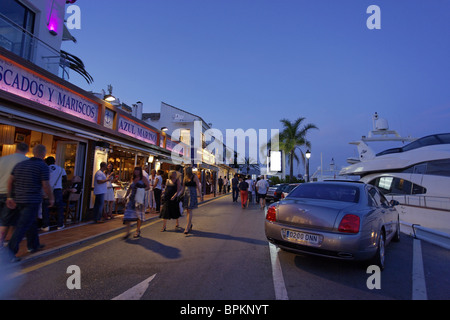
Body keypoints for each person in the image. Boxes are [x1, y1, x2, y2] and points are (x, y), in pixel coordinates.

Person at [6, 144, 54, 260]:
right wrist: (51, 197)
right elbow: (46, 185)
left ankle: (33, 245)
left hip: (18, 199)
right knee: (22, 225)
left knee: (31, 222)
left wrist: (9, 197)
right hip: (31, 200)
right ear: (43, 154)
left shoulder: (20, 164)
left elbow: (10, 181)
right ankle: (9, 254)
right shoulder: (42, 166)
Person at [0, 143, 29, 248]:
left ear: (15, 148)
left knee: (3, 221)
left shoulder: (2, 159)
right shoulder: (26, 161)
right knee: (9, 222)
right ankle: (6, 247)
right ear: (27, 150)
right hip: (12, 194)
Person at [123, 167, 150, 239]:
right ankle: (128, 232)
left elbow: (148, 187)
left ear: (140, 171)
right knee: (128, 215)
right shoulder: (133, 178)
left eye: (137, 171)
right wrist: (125, 196)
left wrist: (142, 188)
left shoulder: (143, 178)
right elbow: (130, 188)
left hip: (139, 199)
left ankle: (137, 231)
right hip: (132, 198)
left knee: (139, 216)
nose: (136, 172)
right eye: (135, 171)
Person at [41, 156, 67, 231]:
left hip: (47, 190)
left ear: (46, 162)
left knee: (45, 207)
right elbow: (65, 179)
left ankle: (46, 225)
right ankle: (60, 224)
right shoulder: (61, 169)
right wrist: (63, 187)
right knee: (59, 207)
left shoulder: (45, 169)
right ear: (54, 162)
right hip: (58, 190)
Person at [182, 166, 202, 235]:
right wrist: (178, 195)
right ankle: (189, 224)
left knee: (189, 209)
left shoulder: (195, 177)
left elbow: (198, 186)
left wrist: (200, 195)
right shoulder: (185, 177)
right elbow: (183, 187)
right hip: (186, 194)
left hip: (192, 194)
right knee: (187, 210)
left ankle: (187, 226)